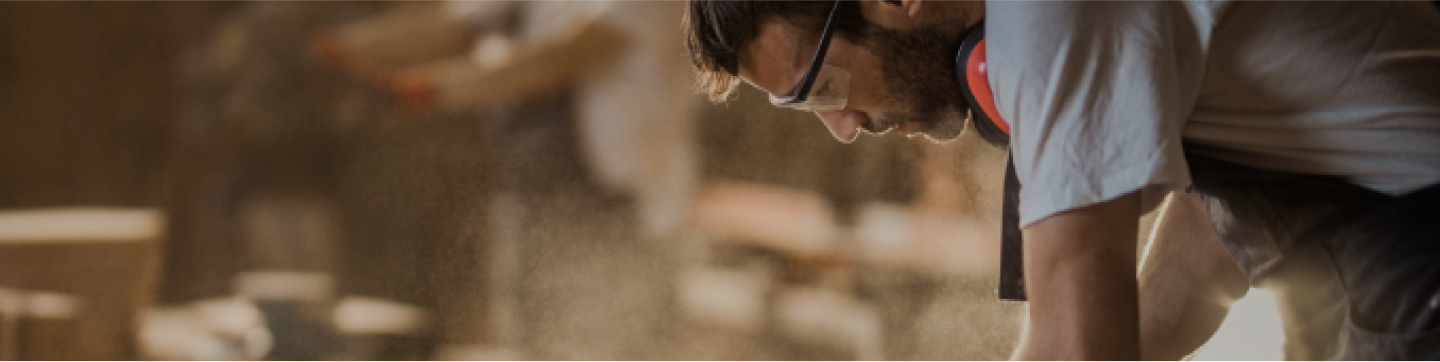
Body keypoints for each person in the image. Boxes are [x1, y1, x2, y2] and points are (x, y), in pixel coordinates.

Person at [682, 0, 1440, 360]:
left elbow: (1082, 350)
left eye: (819, 88)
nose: (841, 126)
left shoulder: (1047, 20)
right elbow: (1225, 229)